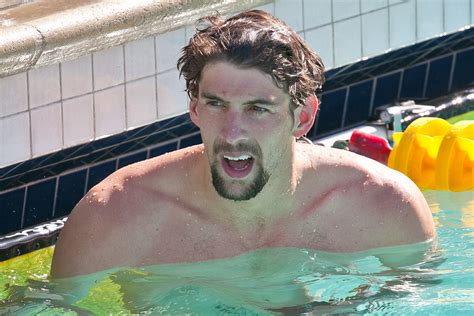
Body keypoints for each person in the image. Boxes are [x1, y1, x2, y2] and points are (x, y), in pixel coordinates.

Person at [51, 10, 435, 278]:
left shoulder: (384, 207)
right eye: (216, 105)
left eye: (257, 109)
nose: (232, 132)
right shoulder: (113, 217)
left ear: (301, 117)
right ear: (194, 108)